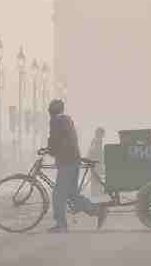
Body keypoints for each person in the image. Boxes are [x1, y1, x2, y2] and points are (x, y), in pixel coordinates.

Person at [46, 99, 107, 233]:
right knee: (72, 194)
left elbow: (54, 139)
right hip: (73, 159)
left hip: (66, 161)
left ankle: (61, 224)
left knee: (58, 194)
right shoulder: (67, 120)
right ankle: (97, 210)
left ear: (51, 111)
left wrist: (49, 150)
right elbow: (65, 139)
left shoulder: (56, 120)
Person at [87, 127, 106, 197]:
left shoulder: (95, 141)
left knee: (96, 180)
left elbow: (92, 152)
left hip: (95, 163)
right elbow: (95, 152)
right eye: (102, 134)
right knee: (96, 180)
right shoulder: (97, 141)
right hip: (96, 164)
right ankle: (96, 195)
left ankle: (96, 195)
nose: (103, 135)